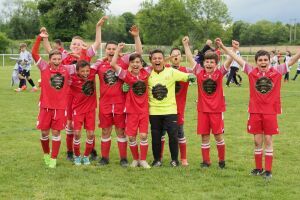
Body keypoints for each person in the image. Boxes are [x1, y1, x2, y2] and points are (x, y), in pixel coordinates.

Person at [217, 38, 300, 180]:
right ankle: (258, 168)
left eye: (265, 60)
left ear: (269, 61)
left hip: (270, 112)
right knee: (257, 141)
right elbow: (236, 57)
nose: (263, 62)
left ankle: (268, 170)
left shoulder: (277, 71)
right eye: (260, 60)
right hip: (254, 111)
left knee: (268, 140)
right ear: (256, 62)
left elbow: (291, 61)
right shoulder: (251, 71)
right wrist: (224, 47)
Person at [40, 16, 105, 161]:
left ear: (84, 46)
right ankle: (70, 151)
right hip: (69, 95)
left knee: (89, 126)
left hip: (87, 95)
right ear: (70, 45)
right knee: (70, 124)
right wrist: (45, 38)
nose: (76, 45)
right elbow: (50, 50)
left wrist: (98, 27)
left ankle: (91, 150)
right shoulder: (64, 56)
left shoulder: (87, 55)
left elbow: (98, 42)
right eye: (74, 43)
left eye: (79, 44)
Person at [92, 25, 142, 167]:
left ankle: (123, 158)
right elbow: (86, 71)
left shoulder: (124, 61)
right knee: (106, 130)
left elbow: (138, 52)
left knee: (121, 131)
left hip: (120, 102)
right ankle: (105, 158)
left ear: (117, 50)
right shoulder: (100, 63)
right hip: (105, 103)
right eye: (109, 49)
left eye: (114, 49)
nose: (111, 51)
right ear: (105, 49)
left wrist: (136, 36)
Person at [183, 36, 232, 169]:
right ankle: (206, 161)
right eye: (207, 62)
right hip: (203, 110)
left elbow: (230, 59)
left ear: (216, 64)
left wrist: (224, 47)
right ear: (203, 63)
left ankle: (221, 161)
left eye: (212, 62)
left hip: (216, 110)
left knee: (218, 136)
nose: (209, 64)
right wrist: (186, 45)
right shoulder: (199, 72)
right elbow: (190, 59)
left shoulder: (219, 73)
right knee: (204, 136)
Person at [32, 31, 76, 168]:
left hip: (60, 107)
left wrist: (80, 54)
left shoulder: (67, 69)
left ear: (61, 59)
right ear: (50, 59)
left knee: (56, 132)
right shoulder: (44, 67)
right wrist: (40, 38)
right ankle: (46, 153)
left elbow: (82, 65)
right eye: (54, 59)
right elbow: (34, 53)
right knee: (44, 132)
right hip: (45, 106)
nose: (56, 61)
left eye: (59, 59)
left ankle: (53, 158)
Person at [148, 48, 196, 167]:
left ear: (164, 60)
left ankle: (175, 160)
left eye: (159, 58)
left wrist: (192, 76)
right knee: (156, 137)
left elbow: (187, 76)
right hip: (154, 111)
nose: (157, 60)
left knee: (173, 136)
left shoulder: (171, 72)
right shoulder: (147, 73)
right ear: (151, 61)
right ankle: (157, 160)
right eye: (154, 58)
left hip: (170, 110)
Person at [110, 43, 151, 168]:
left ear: (141, 63)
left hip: (144, 110)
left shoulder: (146, 72)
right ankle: (135, 159)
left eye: (138, 62)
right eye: (133, 62)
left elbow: (159, 64)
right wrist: (117, 50)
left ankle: (143, 160)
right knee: (132, 137)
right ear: (130, 64)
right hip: (131, 111)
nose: (135, 64)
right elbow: (112, 64)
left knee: (143, 135)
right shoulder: (126, 75)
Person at [71, 60, 97, 166]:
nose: (86, 73)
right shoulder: (72, 79)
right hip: (78, 110)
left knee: (91, 134)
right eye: (83, 71)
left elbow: (99, 61)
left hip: (90, 109)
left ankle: (86, 156)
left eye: (87, 71)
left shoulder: (92, 73)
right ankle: (77, 156)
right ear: (77, 71)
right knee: (77, 134)